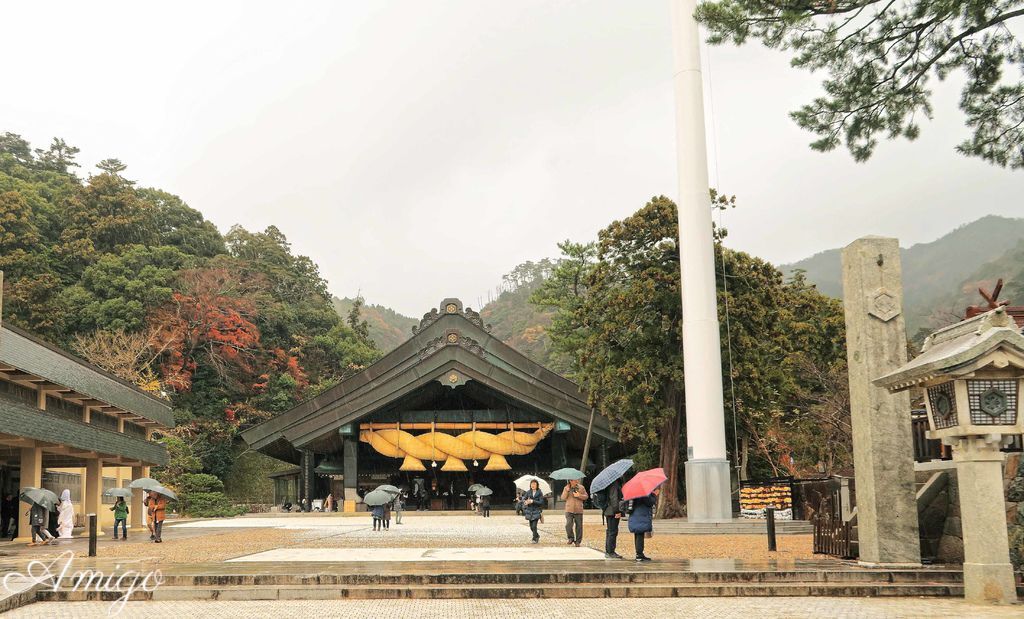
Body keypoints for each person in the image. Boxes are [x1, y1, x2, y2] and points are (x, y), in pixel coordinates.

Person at [627, 487, 659, 562]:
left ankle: (639, 553)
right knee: (640, 535)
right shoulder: (643, 492)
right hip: (641, 515)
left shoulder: (633, 491)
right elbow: (650, 502)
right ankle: (639, 555)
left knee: (638, 534)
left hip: (635, 515)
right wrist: (654, 495)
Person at [561, 479, 588, 547]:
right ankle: (571, 538)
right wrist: (567, 491)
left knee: (579, 526)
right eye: (574, 480)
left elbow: (586, 497)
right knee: (568, 525)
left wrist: (579, 495)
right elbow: (563, 498)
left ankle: (578, 541)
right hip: (569, 509)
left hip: (578, 509)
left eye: (577, 480)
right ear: (570, 481)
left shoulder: (581, 487)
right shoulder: (566, 487)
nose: (576, 481)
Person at [603, 479, 625, 559]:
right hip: (612, 511)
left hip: (608, 510)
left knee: (610, 531)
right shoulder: (614, 484)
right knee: (612, 531)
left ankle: (608, 550)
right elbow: (614, 498)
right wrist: (617, 511)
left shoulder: (609, 483)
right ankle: (610, 552)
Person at [520, 480, 546, 544]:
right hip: (529, 511)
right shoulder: (528, 492)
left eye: (534, 484)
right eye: (532, 484)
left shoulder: (539, 492)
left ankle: (534, 539)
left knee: (534, 526)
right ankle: (537, 535)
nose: (533, 485)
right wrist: (526, 502)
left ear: (537, 485)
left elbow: (541, 502)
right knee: (531, 527)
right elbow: (523, 499)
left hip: (536, 511)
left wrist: (533, 501)